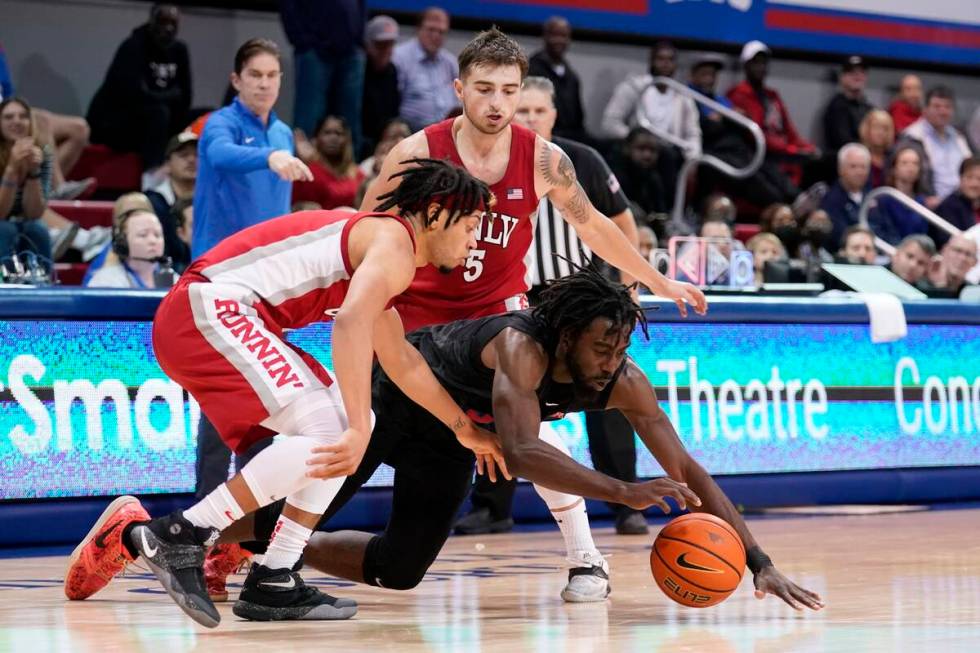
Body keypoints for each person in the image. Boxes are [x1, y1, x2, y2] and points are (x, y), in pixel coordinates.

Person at [63, 159, 507, 626]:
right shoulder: (394, 245)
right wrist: (356, 427)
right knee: (341, 430)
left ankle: (274, 575)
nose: (476, 240)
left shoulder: (380, 248)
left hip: (212, 314)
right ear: (435, 214)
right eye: (473, 224)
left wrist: (465, 430)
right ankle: (185, 532)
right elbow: (352, 325)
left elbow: (401, 360)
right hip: (211, 308)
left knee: (347, 428)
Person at [224, 270, 818, 612]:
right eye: (600, 348)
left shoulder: (624, 381)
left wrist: (757, 561)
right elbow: (520, 451)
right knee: (282, 514)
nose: (611, 363)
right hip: (391, 402)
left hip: (455, 437)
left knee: (400, 570)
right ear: (565, 336)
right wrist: (622, 489)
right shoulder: (520, 346)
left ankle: (277, 552)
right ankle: (183, 537)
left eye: (620, 350)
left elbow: (688, 468)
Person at [359, 28, 706, 600]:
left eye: (509, 91)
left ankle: (586, 559)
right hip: (418, 326)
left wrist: (659, 280)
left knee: (539, 436)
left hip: (497, 319)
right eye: (485, 89)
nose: (497, 103)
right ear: (460, 89)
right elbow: (363, 230)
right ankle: (271, 552)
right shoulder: (418, 150)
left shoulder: (545, 158)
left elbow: (593, 225)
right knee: (353, 444)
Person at [454, 75, 647, 536]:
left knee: (608, 395)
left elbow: (621, 222)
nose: (531, 118)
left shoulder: (581, 160)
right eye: (524, 111)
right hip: (518, 300)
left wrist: (631, 283)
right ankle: (493, 506)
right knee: (501, 404)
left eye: (540, 111)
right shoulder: (489, 161)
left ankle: (627, 502)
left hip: (582, 299)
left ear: (554, 115)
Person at [191, 38, 311, 508]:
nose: (264, 83)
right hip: (217, 277)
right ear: (236, 80)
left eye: (272, 75)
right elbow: (220, 156)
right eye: (255, 75)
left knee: (262, 393)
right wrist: (268, 158)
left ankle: (250, 508)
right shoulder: (220, 125)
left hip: (266, 281)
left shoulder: (282, 132)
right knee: (220, 391)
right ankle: (207, 502)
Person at [87, 4, 192, 169]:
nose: (168, 29)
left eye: (173, 23)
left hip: (155, 118)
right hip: (114, 123)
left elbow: (186, 97)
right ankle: (152, 176)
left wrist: (159, 96)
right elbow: (134, 96)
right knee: (159, 113)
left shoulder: (180, 51)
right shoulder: (134, 46)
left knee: (203, 117)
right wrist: (170, 95)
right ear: (152, 22)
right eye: (163, 22)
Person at [601, 41, 700, 208]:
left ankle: (669, 215)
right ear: (651, 61)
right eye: (660, 59)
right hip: (637, 147)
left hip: (668, 150)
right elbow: (610, 122)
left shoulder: (683, 96)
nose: (665, 64)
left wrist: (694, 158)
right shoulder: (634, 87)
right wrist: (634, 139)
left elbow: (693, 133)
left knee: (673, 158)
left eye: (670, 60)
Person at [728, 41, 817, 200]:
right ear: (746, 65)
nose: (760, 67)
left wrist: (806, 147)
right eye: (756, 62)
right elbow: (755, 135)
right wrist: (790, 149)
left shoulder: (772, 95)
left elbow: (789, 130)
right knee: (773, 169)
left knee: (818, 160)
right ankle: (797, 201)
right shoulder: (737, 95)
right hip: (760, 154)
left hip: (784, 152)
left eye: (763, 63)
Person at [280, 0, 366, 153]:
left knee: (350, 121)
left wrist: (358, 38)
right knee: (309, 118)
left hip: (350, 50)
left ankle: (351, 174)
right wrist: (302, 40)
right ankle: (301, 172)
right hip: (314, 50)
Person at [0, 96, 52, 270]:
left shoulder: (42, 153)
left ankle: (44, 287)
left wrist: (33, 172)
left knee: (37, 229)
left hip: (21, 220)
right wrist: (11, 170)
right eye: (8, 117)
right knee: (4, 229)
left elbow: (34, 213)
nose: (17, 121)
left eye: (23, 116)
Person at [899, 86, 972, 205]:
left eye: (947, 107)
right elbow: (905, 177)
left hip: (963, 203)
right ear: (925, 109)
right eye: (937, 106)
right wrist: (923, 200)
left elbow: (971, 168)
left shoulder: (959, 137)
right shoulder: (912, 137)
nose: (943, 112)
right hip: (929, 208)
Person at [392, 7, 459, 131]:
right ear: (418, 29)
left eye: (441, 32)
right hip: (411, 132)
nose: (435, 36)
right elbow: (391, 106)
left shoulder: (450, 62)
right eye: (431, 30)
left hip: (447, 132)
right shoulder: (399, 57)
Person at [527, 16, 587, 142]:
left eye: (564, 36)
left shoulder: (572, 77)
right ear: (545, 36)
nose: (559, 40)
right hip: (543, 137)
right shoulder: (532, 70)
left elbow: (578, 120)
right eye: (555, 35)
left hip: (571, 139)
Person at [85, 209, 177, 288]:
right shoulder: (105, 282)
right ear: (123, 243)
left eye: (157, 235)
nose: (153, 241)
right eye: (143, 235)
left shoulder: (176, 280)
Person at [146, 131, 197, 270]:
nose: (192, 159)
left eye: (197, 155)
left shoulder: (214, 201)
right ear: (167, 164)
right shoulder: (152, 202)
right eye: (183, 155)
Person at [293, 115, 366, 210]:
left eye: (339, 133)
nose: (333, 138)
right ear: (317, 137)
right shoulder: (307, 171)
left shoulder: (358, 174)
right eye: (327, 133)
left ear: (347, 139)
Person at [868, 144, 928, 246]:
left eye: (915, 163)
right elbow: (881, 233)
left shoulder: (921, 201)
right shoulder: (883, 199)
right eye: (904, 163)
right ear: (894, 168)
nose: (911, 168)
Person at [361, 15, 401, 155]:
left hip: (384, 136)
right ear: (368, 45)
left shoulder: (392, 71)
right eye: (381, 45)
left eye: (390, 45)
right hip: (363, 137)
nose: (386, 50)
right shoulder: (358, 72)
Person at [821, 143, 871, 250]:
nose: (859, 172)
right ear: (840, 169)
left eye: (863, 167)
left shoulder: (874, 197)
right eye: (853, 166)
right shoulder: (831, 200)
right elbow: (840, 237)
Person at [611, 127, 667, 219]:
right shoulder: (615, 176)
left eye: (652, 150)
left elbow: (661, 213)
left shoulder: (654, 179)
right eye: (641, 148)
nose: (647, 155)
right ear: (627, 148)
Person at [822, 56, 873, 153]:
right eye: (852, 72)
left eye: (862, 72)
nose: (857, 76)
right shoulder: (836, 107)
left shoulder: (869, 109)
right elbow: (844, 142)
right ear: (842, 77)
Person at [933, 157, 980, 248]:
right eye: (969, 177)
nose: (974, 184)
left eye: (979, 179)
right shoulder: (948, 207)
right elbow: (949, 244)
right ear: (961, 178)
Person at [859, 109, 894, 188]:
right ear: (867, 129)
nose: (880, 133)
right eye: (876, 127)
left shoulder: (893, 157)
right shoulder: (858, 156)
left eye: (885, 129)